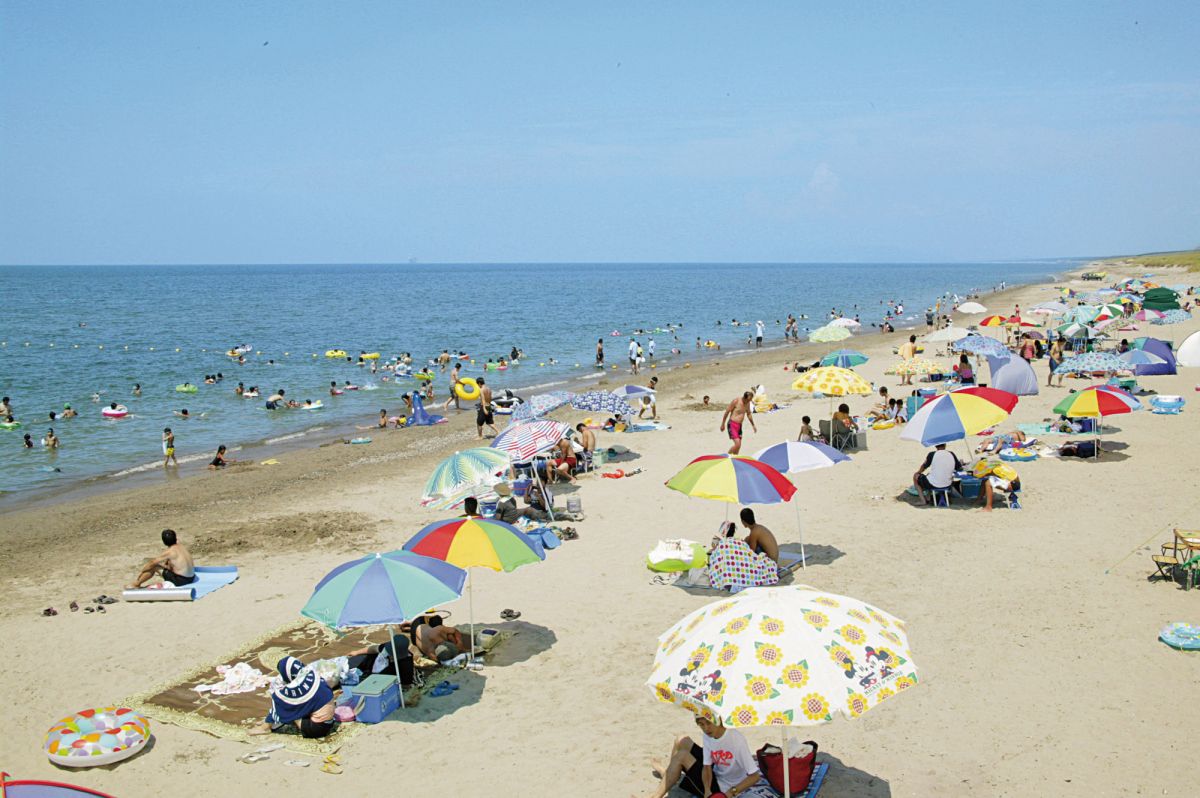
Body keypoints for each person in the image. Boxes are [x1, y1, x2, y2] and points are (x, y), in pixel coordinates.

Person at [644, 713, 769, 798]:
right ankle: (669, 776)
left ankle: (656, 794)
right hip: (714, 774)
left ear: (718, 720)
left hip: (724, 788)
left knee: (682, 756)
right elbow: (707, 766)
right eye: (701, 724)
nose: (706, 728)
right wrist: (706, 789)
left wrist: (730, 793)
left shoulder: (736, 740)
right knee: (681, 740)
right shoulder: (708, 734)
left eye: (708, 723)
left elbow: (755, 776)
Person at [250, 657, 336, 739]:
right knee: (296, 704)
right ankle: (272, 722)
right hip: (329, 722)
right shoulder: (312, 673)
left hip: (317, 728)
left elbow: (279, 700)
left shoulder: (297, 686)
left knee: (284, 704)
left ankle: (265, 727)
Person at [128, 528, 196, 588]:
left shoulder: (170, 552)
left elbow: (152, 563)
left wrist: (143, 571)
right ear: (175, 538)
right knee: (165, 565)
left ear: (164, 542)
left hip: (181, 581)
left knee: (154, 566)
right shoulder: (181, 546)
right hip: (192, 578)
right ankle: (137, 583)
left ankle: (136, 584)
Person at [345, 633, 416, 687]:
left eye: (392, 655)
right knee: (346, 666)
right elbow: (373, 649)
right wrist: (356, 652)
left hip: (385, 678)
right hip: (372, 665)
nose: (390, 655)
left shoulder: (406, 665)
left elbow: (406, 685)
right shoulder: (388, 647)